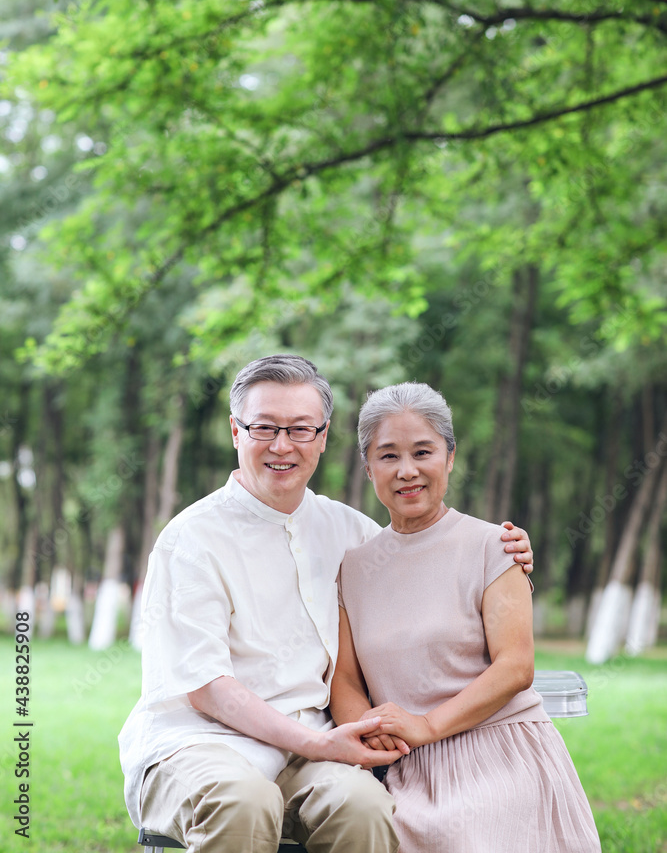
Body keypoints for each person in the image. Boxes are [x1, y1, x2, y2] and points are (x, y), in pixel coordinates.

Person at [119, 356, 534, 853]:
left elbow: (430, 576)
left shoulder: (350, 532)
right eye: (264, 428)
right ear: (235, 430)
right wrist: (319, 744)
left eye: (299, 429)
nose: (281, 445)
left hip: (313, 753)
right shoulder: (190, 539)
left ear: (322, 435)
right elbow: (208, 689)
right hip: (200, 745)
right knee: (244, 800)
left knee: (363, 806)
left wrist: (508, 559)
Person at [332, 382, 601, 853]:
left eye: (423, 451)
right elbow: (346, 679)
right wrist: (368, 735)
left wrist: (429, 726)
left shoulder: (495, 547)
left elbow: (516, 667)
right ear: (368, 467)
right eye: (388, 456)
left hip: (497, 754)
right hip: (405, 765)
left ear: (450, 457)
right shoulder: (353, 568)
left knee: (467, 833)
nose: (407, 471)